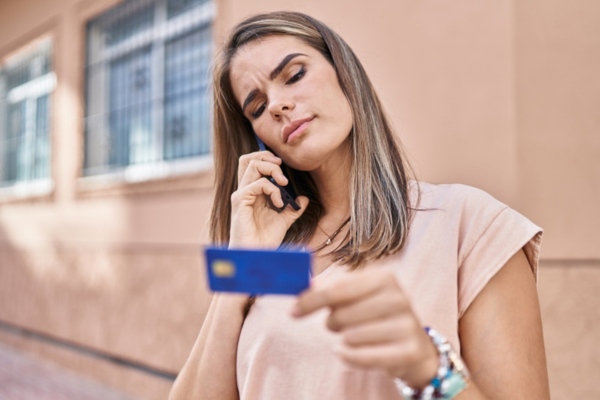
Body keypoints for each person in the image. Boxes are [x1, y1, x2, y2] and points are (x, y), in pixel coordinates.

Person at [170, 11, 550, 400]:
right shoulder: (268, 261)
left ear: (344, 72)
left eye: (295, 75)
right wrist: (240, 268)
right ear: (259, 140)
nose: (279, 105)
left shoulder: (467, 224)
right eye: (257, 107)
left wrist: (429, 370)